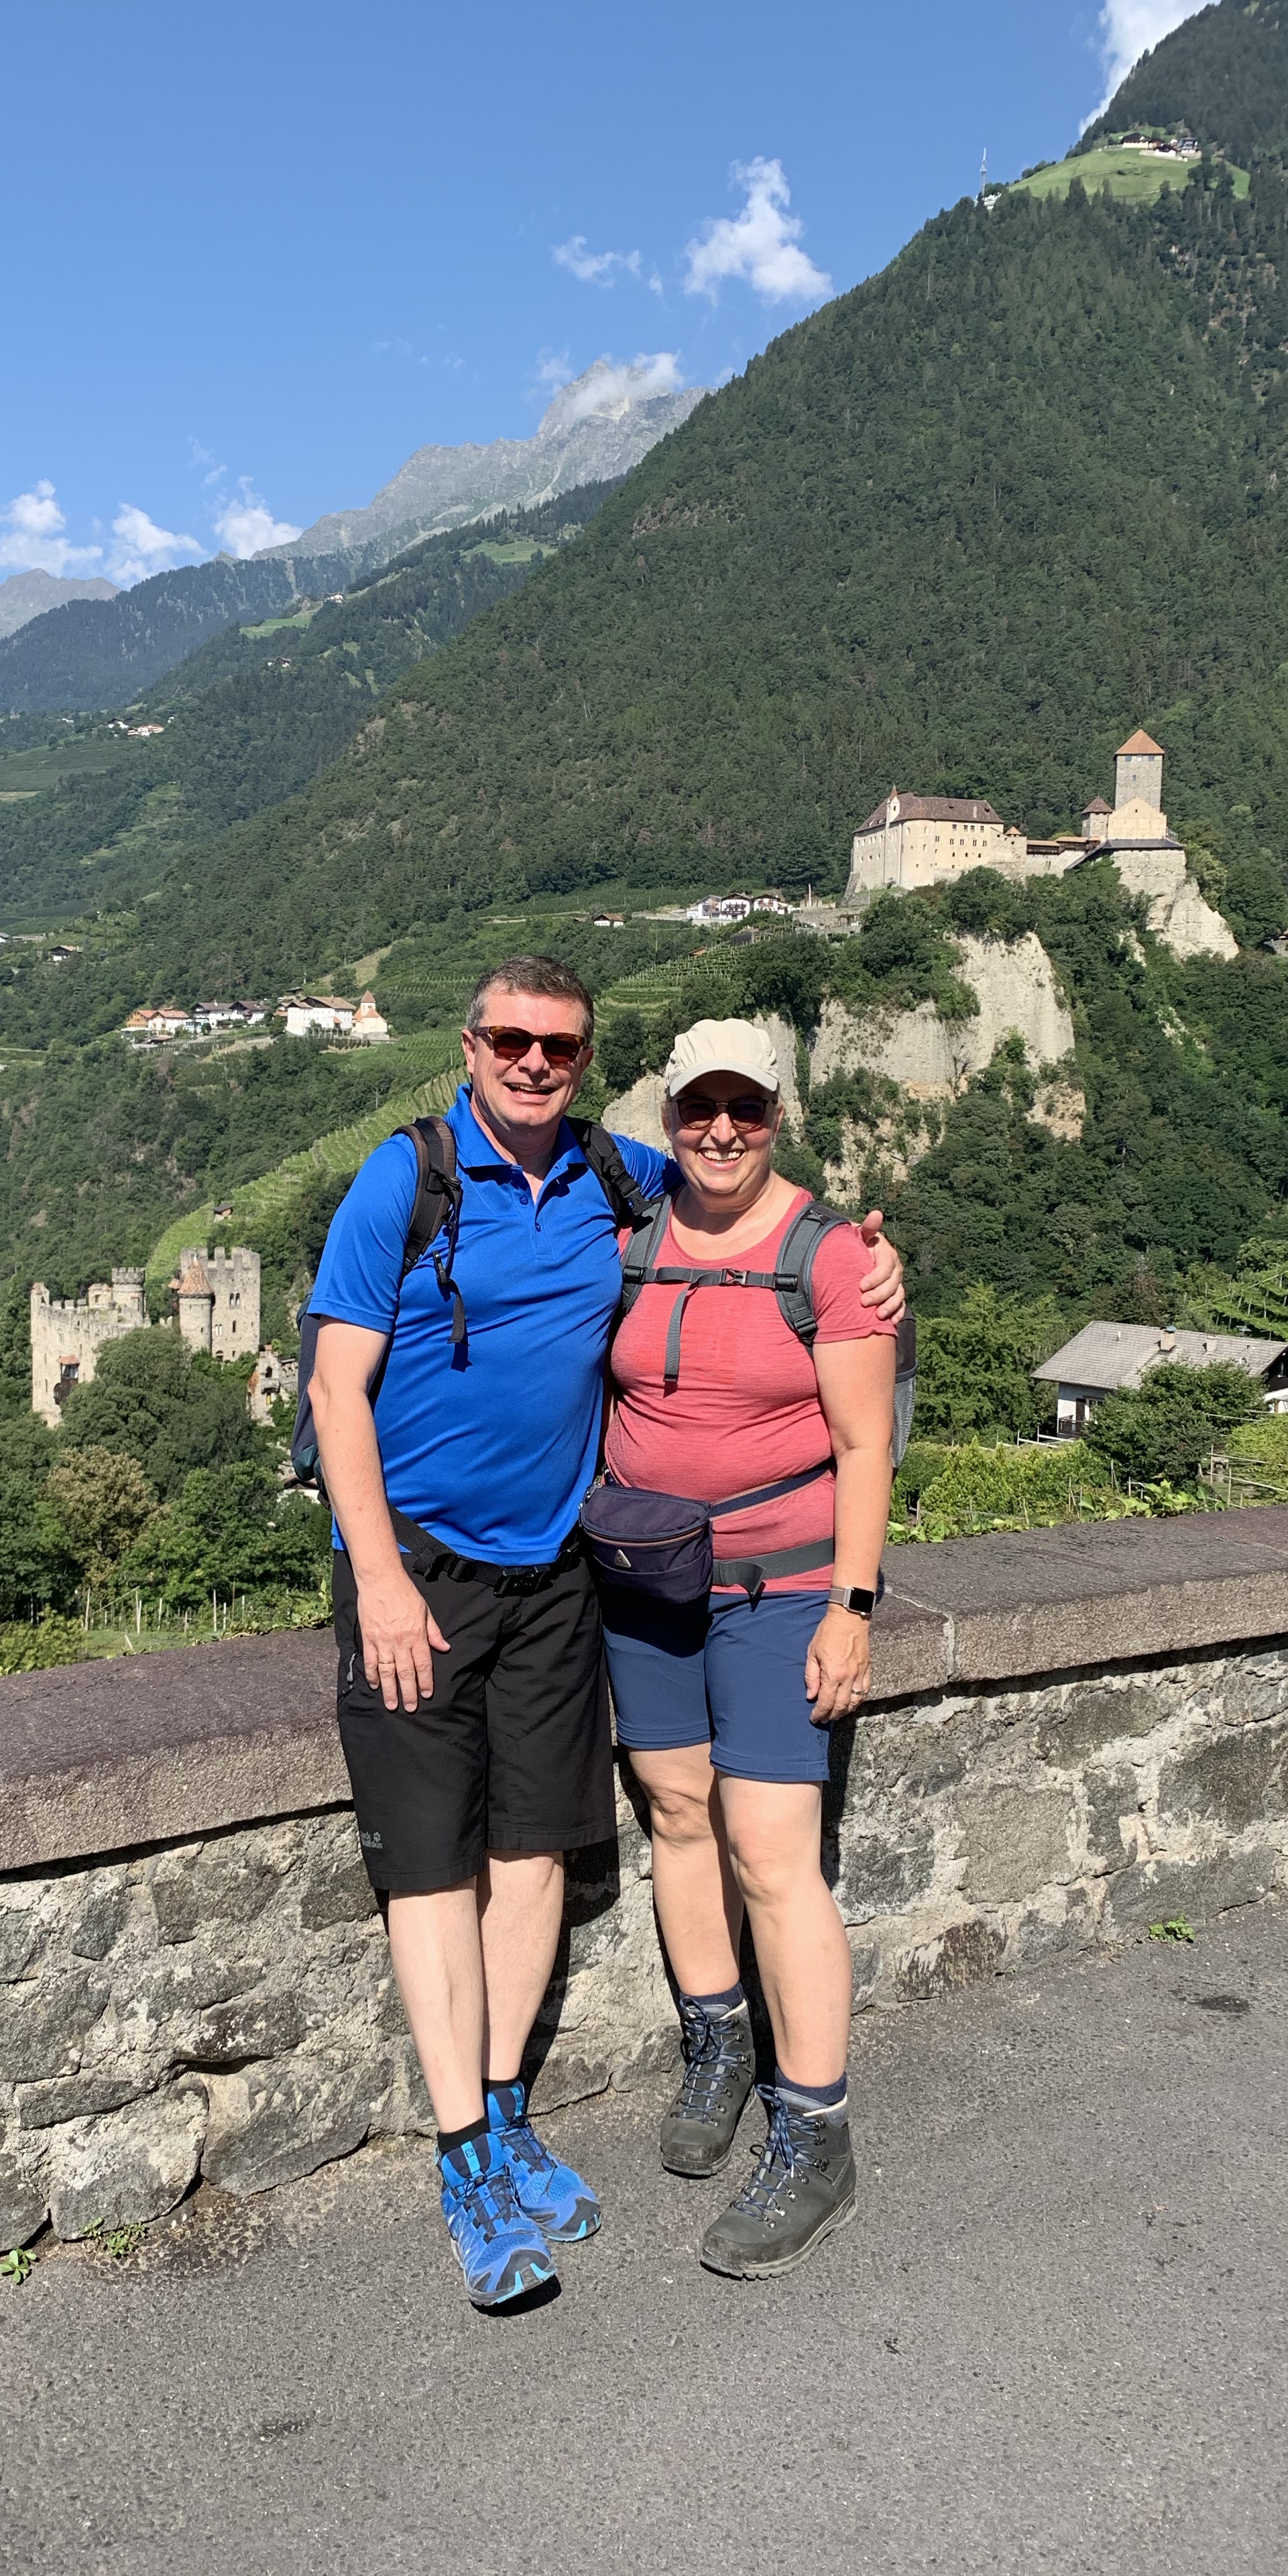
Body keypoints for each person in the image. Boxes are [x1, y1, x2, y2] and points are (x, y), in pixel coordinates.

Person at [304, 959, 905, 2310]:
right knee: (441, 1872)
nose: (534, 1062)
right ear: (470, 1046)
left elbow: (764, 1227)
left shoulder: (612, 1173)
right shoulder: (406, 1181)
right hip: (427, 1577)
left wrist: (872, 1265)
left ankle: (548, 2116)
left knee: (536, 1855)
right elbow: (337, 1391)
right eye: (511, 1039)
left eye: (560, 1047)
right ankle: (469, 2155)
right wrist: (381, 1580)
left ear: (586, 1063)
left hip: (574, 1579)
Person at [597, 1016, 896, 2280]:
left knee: (773, 1853)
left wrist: (854, 1606)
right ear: (667, 1116)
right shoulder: (629, 1232)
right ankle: (720, 2042)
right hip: (648, 1576)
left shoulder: (831, 1256)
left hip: (784, 1586)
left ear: (778, 1115)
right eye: (699, 1109)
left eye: (747, 1109)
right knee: (677, 1811)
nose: (721, 1130)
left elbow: (867, 1445)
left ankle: (815, 2132)